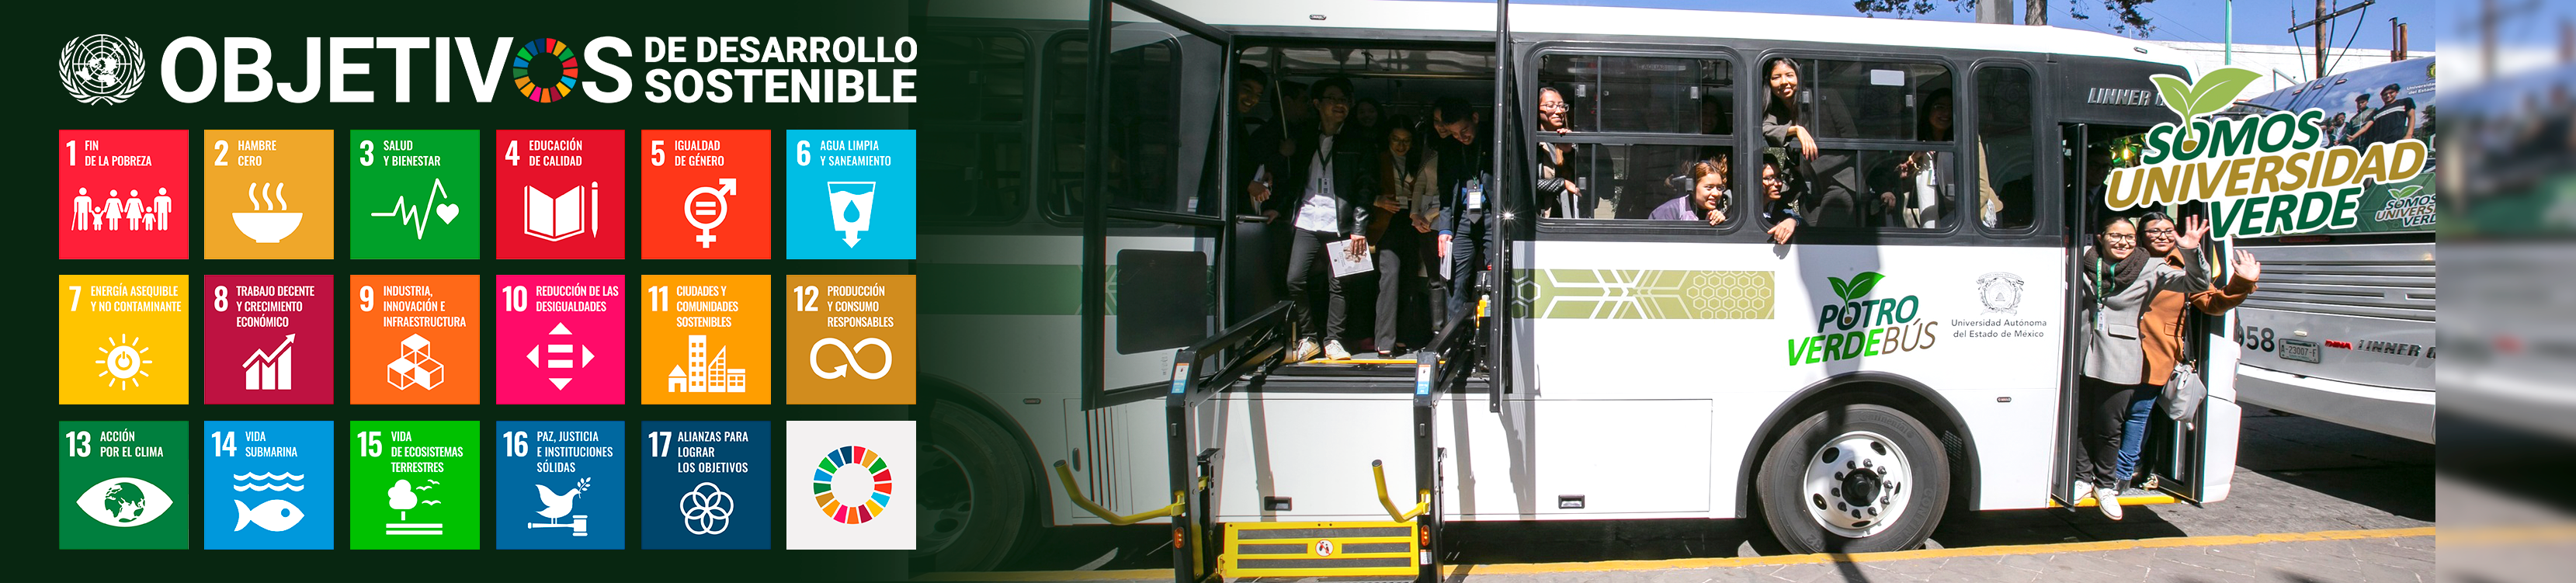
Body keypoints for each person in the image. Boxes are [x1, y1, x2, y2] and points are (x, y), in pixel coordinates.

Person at [2117, 212, 2259, 493]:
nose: (2162, 236)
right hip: (2117, 350)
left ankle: (2127, 471)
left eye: (2168, 230)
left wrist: (2243, 282)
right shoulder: (2124, 260)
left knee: (2139, 414)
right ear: (2141, 236)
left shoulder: (2184, 266)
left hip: (2157, 356)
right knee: (2114, 415)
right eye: (2154, 231)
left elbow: (2212, 303)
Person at [1281, 77, 1380, 362]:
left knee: (1341, 284)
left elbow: (1366, 186)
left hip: (1345, 223)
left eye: (1345, 100)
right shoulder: (1303, 136)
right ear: (1317, 104)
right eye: (1333, 99)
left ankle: (1334, 340)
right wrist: (1279, 206)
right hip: (1307, 218)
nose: (1340, 105)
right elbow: (1294, 178)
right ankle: (1309, 338)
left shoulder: (1359, 140)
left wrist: (1359, 228)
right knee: (1295, 280)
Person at [2072, 214, 2151, 519]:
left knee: (2109, 428)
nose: (2123, 242)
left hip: (2120, 357)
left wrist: (2190, 252)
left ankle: (2105, 485)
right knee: (2081, 423)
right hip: (2082, 353)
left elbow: (2193, 282)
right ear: (2101, 238)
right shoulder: (2083, 262)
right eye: (2116, 236)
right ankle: (2082, 478)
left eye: (2130, 237)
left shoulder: (2149, 266)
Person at [1370, 116, 1440, 358]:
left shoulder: (1416, 161)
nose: (1401, 146)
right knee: (1390, 276)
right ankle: (1385, 341)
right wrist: (1377, 200)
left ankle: (1401, 336)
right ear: (1387, 140)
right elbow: (1361, 187)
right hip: (1387, 220)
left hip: (1413, 218)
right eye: (1396, 140)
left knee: (1410, 278)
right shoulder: (1377, 160)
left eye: (1406, 141)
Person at [1761, 57, 1860, 227]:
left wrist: (1811, 165)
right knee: (1810, 236)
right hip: (1809, 189)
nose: (1784, 82)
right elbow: (1763, 128)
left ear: (1799, 77)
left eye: (1789, 75)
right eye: (1776, 77)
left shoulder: (1825, 95)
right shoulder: (1776, 110)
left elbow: (1851, 139)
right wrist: (1796, 130)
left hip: (1838, 181)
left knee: (1826, 235)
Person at [1432, 97, 1491, 321]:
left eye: (1464, 130)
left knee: (1493, 275)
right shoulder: (1448, 147)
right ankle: (1453, 336)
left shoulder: (1493, 140)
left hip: (1492, 216)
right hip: (1462, 218)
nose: (1461, 137)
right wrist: (1445, 229)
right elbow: (1445, 192)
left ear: (1475, 118)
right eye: (1455, 133)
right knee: (1455, 278)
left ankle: (1490, 332)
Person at [1535, 86, 1585, 218]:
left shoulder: (1566, 140)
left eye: (1562, 106)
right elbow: (1527, 183)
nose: (1559, 111)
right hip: (1541, 217)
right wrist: (1562, 184)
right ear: (1537, 109)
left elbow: (1585, 181)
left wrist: (1569, 151)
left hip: (1567, 215)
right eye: (1550, 106)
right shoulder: (1533, 143)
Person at [1649, 158, 1728, 225]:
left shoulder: (1720, 212)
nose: (1716, 193)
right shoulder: (1669, 211)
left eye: (1719, 188)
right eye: (1709, 187)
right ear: (1692, 187)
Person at [2351, 83, 2418, 148]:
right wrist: (2353, 136)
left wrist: (2409, 135)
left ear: (2396, 92)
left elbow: (2411, 117)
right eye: (2385, 94)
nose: (2388, 96)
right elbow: (2366, 127)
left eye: (2391, 93)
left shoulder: (2404, 102)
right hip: (2380, 145)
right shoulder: (2377, 113)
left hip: (2397, 142)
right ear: (2382, 97)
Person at [1755, 154, 1800, 244]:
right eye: (1769, 178)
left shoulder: (1780, 207)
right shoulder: (1740, 209)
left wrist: (1792, 221)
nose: (1779, 183)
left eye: (1779, 177)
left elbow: (1801, 220)